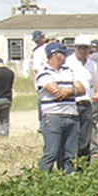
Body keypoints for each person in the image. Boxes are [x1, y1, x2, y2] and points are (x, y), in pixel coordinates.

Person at [35, 42, 84, 173]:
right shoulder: (43, 72)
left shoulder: (69, 70)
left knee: (69, 155)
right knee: (51, 153)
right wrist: (73, 90)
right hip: (53, 118)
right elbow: (56, 92)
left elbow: (82, 89)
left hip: (72, 116)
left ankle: (67, 178)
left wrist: (68, 91)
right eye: (63, 53)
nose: (66, 56)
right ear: (55, 54)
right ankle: (43, 180)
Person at [67, 36, 98, 161]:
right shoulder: (68, 62)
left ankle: (83, 166)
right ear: (75, 48)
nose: (83, 50)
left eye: (86, 47)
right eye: (80, 47)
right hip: (72, 102)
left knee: (85, 138)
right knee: (71, 136)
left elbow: (93, 84)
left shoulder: (92, 64)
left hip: (86, 103)